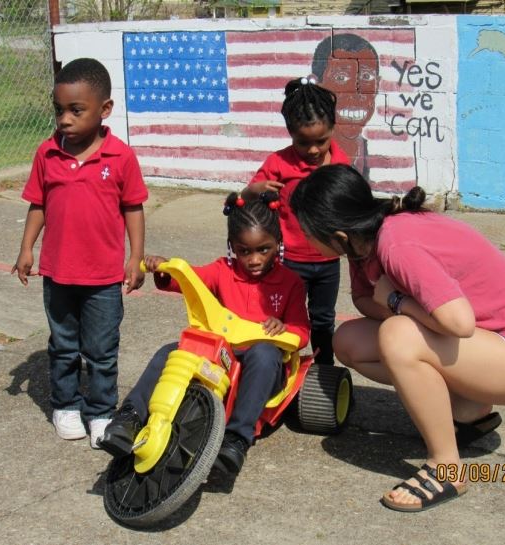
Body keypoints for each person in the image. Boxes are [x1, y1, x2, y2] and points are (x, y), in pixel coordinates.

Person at [290, 164, 505, 512]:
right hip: (483, 345)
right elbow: (364, 302)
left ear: (338, 235)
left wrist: (396, 300)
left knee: (399, 336)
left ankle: (445, 467)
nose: (301, 239)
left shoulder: (396, 244)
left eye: (306, 232)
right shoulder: (363, 244)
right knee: (349, 341)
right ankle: (468, 411)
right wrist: (393, 303)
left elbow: (458, 324)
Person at [100, 193, 310, 475]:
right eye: (244, 251)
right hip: (222, 357)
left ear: (278, 244)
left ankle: (237, 439)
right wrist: (166, 269)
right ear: (232, 247)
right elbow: (192, 280)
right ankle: (130, 417)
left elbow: (302, 330)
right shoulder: (222, 270)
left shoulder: (290, 283)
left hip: (264, 364)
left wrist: (284, 329)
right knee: (172, 351)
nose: (254, 259)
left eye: (264, 249)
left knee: (263, 353)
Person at [12, 58, 148, 449]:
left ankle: (101, 411)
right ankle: (66, 405)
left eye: (76, 110)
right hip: (57, 275)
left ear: (104, 110)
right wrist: (26, 249)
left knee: (102, 351)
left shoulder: (120, 157)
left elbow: (133, 208)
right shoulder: (47, 154)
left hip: (103, 278)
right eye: (59, 110)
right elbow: (37, 204)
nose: (65, 120)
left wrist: (134, 257)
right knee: (63, 346)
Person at [241, 77, 350, 367]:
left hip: (328, 262)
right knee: (282, 319)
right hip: (289, 262)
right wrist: (253, 191)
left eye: (321, 141)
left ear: (333, 130)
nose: (313, 150)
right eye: (304, 143)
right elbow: (245, 200)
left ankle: (324, 370)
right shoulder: (278, 164)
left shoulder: (342, 165)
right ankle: (280, 370)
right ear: (290, 133)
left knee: (324, 318)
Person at [311, 33, 380, 180]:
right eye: (341, 78)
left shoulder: (366, 152)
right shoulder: (310, 155)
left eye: (367, 77)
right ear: (318, 86)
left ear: (377, 85)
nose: (356, 93)